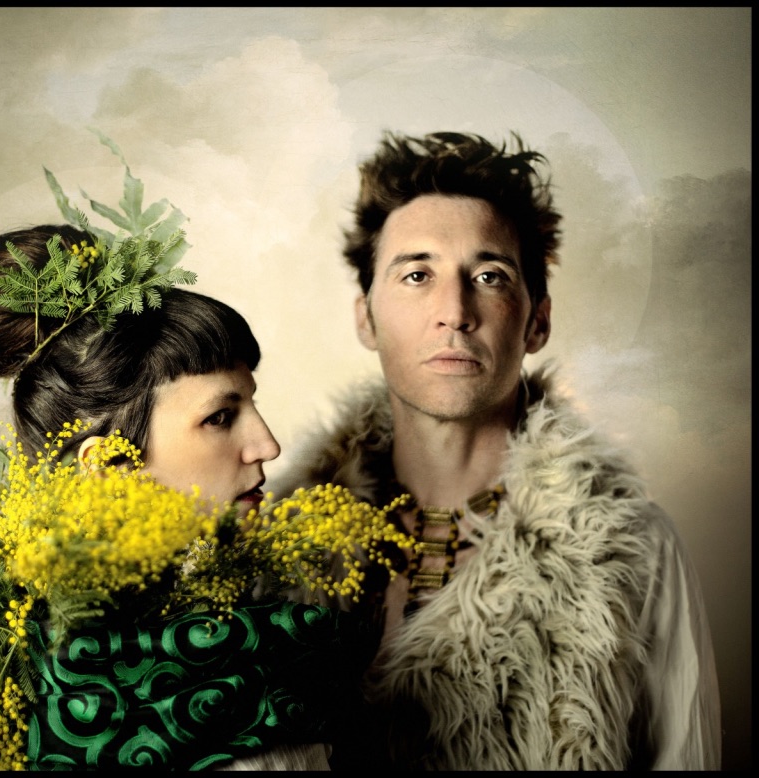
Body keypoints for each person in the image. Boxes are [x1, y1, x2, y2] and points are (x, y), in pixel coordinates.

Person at [273, 131, 722, 770]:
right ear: (366, 318)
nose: (454, 312)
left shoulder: (638, 551)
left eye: (489, 277)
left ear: (537, 321)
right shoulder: (268, 554)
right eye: (417, 275)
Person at [0, 223, 380, 771]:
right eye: (220, 417)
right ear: (108, 466)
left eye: (251, 405)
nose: (267, 445)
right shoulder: (246, 699)